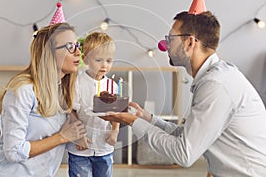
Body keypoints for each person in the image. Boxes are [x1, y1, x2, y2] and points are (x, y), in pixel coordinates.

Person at [102, 10, 266, 177]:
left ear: (189, 43)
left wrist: (134, 122)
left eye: (171, 39)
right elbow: (186, 136)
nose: (165, 45)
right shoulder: (214, 77)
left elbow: (184, 154)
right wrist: (146, 117)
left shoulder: (215, 86)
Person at [0, 22, 86, 177]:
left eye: (78, 46)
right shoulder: (23, 90)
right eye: (70, 47)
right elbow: (14, 151)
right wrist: (62, 137)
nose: (78, 52)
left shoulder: (63, 91)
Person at [66, 32, 120, 177]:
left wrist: (115, 131)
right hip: (80, 148)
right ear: (86, 59)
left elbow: (116, 114)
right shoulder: (77, 82)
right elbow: (71, 111)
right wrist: (79, 136)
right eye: (98, 60)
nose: (104, 65)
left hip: (104, 147)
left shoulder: (112, 86)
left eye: (109, 60)